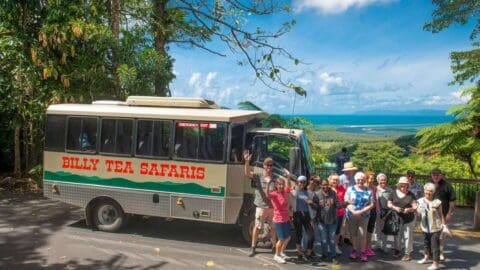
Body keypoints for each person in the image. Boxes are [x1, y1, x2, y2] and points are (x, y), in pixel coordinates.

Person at [243, 150, 277, 257]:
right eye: (267, 165)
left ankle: (275, 247)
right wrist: (247, 162)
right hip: (261, 206)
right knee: (257, 227)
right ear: (264, 165)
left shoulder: (276, 178)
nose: (269, 167)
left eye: (271, 165)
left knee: (272, 228)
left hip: (272, 207)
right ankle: (253, 247)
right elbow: (247, 173)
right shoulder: (259, 176)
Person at [310, 178, 344, 264]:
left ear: (328, 185)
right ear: (320, 185)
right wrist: (311, 204)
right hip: (322, 221)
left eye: (326, 185)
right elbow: (316, 208)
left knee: (332, 240)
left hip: (333, 221)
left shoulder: (333, 193)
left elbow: (337, 204)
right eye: (323, 185)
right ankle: (324, 254)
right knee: (324, 240)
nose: (325, 186)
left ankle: (333, 256)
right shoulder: (317, 194)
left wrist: (346, 203)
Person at [417, 183, 448, 270]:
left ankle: (435, 264)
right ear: (424, 190)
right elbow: (418, 213)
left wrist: (444, 226)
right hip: (425, 227)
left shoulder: (437, 202)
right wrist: (417, 210)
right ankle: (426, 257)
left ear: (433, 192)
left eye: (431, 191)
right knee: (426, 244)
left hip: (435, 228)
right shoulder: (420, 201)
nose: (428, 192)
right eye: (427, 190)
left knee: (435, 246)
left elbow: (441, 215)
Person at [345, 172, 374, 262]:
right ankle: (354, 250)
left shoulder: (369, 191)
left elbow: (372, 204)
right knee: (353, 234)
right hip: (351, 215)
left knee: (362, 234)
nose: (360, 181)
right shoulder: (350, 189)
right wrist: (353, 211)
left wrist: (361, 211)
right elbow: (346, 201)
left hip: (364, 216)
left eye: (362, 179)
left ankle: (362, 252)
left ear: (365, 180)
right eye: (358, 179)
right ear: (355, 180)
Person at [388, 176, 418, 261]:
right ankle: (397, 250)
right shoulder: (393, 193)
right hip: (396, 218)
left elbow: (415, 206)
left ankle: (407, 253)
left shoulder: (411, 194)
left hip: (408, 218)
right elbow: (389, 204)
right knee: (397, 235)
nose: (403, 187)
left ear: (407, 185)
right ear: (398, 185)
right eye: (401, 185)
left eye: (405, 185)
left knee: (407, 236)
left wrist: (410, 209)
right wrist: (395, 208)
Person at [429, 168, 456, 261]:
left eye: (437, 175)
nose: (435, 176)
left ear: (441, 175)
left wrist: (450, 213)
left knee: (441, 235)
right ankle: (429, 252)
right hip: (429, 214)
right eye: (434, 174)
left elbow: (452, 201)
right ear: (431, 175)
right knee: (429, 234)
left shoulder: (447, 186)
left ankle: (440, 252)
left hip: (442, 215)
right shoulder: (428, 185)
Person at [269, 177, 293, 264]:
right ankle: (277, 255)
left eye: (282, 184)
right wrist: (268, 184)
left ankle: (281, 252)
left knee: (288, 237)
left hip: (286, 218)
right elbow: (267, 195)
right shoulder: (274, 194)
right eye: (279, 184)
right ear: (276, 185)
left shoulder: (284, 192)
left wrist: (288, 177)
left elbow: (289, 186)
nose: (281, 186)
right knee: (282, 239)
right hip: (278, 220)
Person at [291, 175, 315, 261]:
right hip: (297, 214)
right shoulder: (294, 191)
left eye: (304, 182)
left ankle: (308, 253)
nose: (302, 183)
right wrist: (288, 177)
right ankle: (299, 253)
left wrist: (312, 218)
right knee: (298, 234)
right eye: (300, 182)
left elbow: (312, 203)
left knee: (311, 235)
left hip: (306, 214)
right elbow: (290, 193)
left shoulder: (308, 192)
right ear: (297, 182)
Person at [328, 174, 346, 255]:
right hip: (329, 214)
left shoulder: (342, 189)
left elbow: (345, 200)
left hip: (340, 213)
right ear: (330, 180)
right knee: (330, 230)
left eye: (337, 180)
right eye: (333, 179)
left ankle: (335, 246)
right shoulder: (326, 189)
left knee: (337, 231)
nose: (335, 181)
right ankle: (329, 246)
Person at [376, 173, 393, 253]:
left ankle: (384, 246)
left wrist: (388, 214)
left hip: (386, 213)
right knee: (377, 229)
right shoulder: (375, 189)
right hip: (377, 212)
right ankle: (378, 245)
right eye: (381, 180)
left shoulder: (390, 190)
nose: (383, 181)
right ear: (378, 181)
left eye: (384, 180)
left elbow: (392, 202)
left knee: (385, 230)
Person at [364, 171, 379, 256]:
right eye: (371, 178)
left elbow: (376, 200)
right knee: (364, 229)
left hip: (373, 210)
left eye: (373, 178)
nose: (372, 179)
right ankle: (362, 248)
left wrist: (377, 210)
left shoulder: (374, 188)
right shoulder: (363, 187)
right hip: (365, 210)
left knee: (370, 230)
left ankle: (367, 248)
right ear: (366, 178)